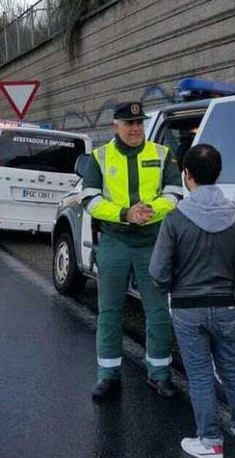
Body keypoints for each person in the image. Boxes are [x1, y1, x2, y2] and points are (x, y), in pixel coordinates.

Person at [149, 144, 235, 458]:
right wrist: (229, 282)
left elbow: (158, 271)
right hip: (225, 306)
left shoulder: (174, 218)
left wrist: (173, 286)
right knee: (232, 373)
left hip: (187, 309)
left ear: (187, 175)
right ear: (218, 174)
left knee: (199, 375)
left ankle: (211, 441)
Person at [81, 101, 183, 399]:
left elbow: (175, 192)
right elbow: (90, 199)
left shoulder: (161, 154)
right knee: (110, 310)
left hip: (152, 241)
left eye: (140, 123)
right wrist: (126, 214)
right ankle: (108, 375)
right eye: (129, 124)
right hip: (115, 240)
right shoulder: (99, 157)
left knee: (158, 311)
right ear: (116, 125)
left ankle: (159, 373)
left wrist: (150, 210)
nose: (136, 128)